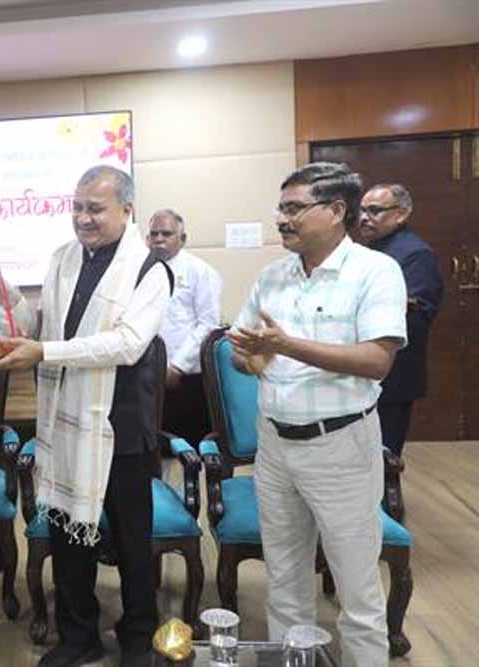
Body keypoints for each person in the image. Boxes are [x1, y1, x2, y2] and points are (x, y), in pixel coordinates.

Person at [0, 165, 172, 667]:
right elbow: (45, 327)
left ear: (127, 210)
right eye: (76, 207)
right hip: (65, 421)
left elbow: (128, 344)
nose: (83, 218)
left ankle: (138, 637)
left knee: (132, 540)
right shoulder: (63, 257)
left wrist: (45, 352)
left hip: (122, 427)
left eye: (95, 208)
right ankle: (78, 635)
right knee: (69, 534)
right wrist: (8, 300)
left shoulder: (150, 268)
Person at [228, 162, 406, 666]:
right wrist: (250, 360)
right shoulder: (272, 277)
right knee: (284, 579)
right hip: (274, 445)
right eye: (280, 208)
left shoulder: (375, 272)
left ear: (335, 210)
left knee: (356, 589)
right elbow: (244, 350)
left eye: (294, 208)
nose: (282, 219)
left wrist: (287, 345)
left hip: (340, 445)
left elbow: (377, 360)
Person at [358, 183, 443, 456]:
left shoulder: (415, 253)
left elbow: (419, 312)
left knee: (385, 454)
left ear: (401, 214)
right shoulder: (368, 251)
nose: (364, 218)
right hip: (363, 370)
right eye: (361, 211)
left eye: (374, 211)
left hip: (395, 372)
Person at [146, 208, 222, 449]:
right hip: (148, 376)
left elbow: (208, 324)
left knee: (189, 447)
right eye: (154, 234)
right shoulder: (141, 270)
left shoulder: (200, 271)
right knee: (155, 447)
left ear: (183, 238)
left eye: (166, 234)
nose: (159, 239)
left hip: (186, 378)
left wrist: (178, 365)